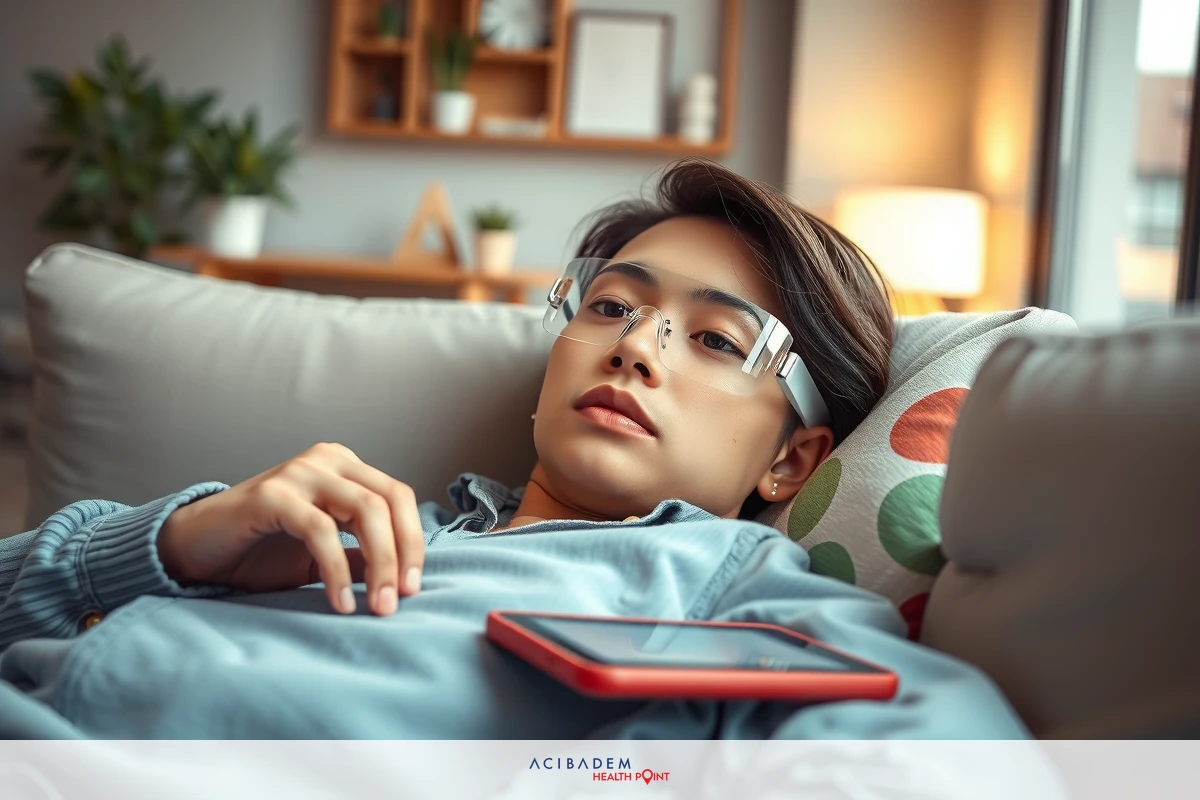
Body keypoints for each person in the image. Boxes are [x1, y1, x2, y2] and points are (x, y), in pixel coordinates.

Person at [0, 160, 1024, 739]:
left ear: (792, 462)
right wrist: (174, 542)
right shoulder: (364, 513)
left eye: (716, 338)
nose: (633, 345)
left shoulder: (715, 581)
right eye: (613, 305)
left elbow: (934, 740)